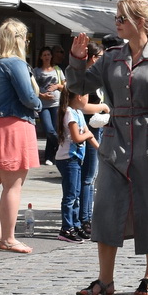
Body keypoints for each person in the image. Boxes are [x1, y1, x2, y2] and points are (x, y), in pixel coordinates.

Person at [65, 0, 148, 295]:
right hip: (115, 143)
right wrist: (76, 60)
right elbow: (79, 88)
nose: (116, 23)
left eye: (122, 18)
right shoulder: (111, 57)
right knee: (106, 209)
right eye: (117, 18)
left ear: (140, 22)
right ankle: (105, 281)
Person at [0, 19, 42, 253]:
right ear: (18, 40)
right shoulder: (15, 64)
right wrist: (39, 103)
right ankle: (9, 238)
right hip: (14, 125)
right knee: (12, 186)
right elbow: (28, 98)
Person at [54, 92, 97, 242]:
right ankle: (66, 228)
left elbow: (89, 135)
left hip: (76, 159)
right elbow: (79, 137)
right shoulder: (69, 113)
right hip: (68, 159)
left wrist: (101, 150)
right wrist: (87, 135)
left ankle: (76, 224)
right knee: (70, 196)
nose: (88, 98)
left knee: (76, 194)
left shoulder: (78, 113)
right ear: (78, 96)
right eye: (86, 95)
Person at [34, 46, 65, 161]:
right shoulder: (36, 71)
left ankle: (49, 157)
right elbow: (32, 88)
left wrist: (57, 86)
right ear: (41, 57)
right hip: (43, 105)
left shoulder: (57, 70)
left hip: (56, 104)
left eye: (48, 54)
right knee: (49, 129)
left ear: (51, 56)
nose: (47, 57)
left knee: (55, 130)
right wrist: (42, 95)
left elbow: (65, 86)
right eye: (44, 55)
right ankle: (62, 146)